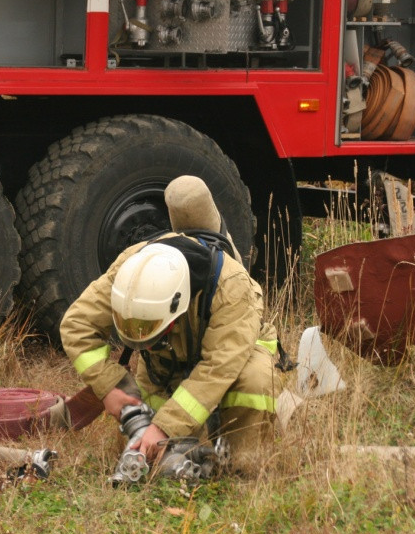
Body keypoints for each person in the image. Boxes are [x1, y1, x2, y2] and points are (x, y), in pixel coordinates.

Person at [60, 176, 279, 470]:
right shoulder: (131, 267)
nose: (143, 343)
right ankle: (189, 452)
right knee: (156, 454)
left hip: (239, 353)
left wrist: (164, 427)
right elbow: (76, 325)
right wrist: (110, 387)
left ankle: (240, 461)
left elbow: (219, 365)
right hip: (169, 361)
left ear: (177, 311)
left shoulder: (232, 287)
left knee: (253, 380)